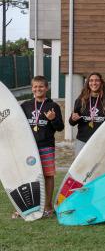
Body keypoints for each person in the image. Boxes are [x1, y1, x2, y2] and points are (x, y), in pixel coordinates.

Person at [20, 75, 64, 217]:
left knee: (48, 175)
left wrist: (52, 119)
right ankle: (27, 207)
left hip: (46, 145)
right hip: (28, 147)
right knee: (28, 176)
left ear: (46, 88)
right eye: (35, 86)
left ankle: (48, 206)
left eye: (41, 86)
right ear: (32, 88)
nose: (38, 89)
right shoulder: (25, 105)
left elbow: (60, 127)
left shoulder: (53, 106)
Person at [69, 72, 105, 156]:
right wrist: (73, 119)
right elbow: (71, 122)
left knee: (99, 167)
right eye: (91, 80)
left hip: (102, 140)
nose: (94, 83)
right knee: (80, 168)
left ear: (101, 83)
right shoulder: (80, 100)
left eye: (97, 80)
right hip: (83, 140)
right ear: (87, 83)